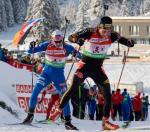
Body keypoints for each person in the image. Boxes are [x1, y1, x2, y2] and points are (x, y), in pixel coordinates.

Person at [49, 16, 135, 130]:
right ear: (99, 27)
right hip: (84, 67)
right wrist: (77, 40)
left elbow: (124, 41)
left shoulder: (113, 35)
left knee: (107, 95)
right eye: (104, 31)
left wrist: (130, 43)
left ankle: (105, 122)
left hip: (98, 69)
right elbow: (71, 37)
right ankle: (57, 110)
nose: (106, 34)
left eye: (109, 31)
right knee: (72, 89)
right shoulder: (90, 32)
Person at [23, 30, 80, 130]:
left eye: (60, 41)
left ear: (62, 39)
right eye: (56, 41)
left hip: (59, 77)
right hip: (46, 74)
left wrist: (76, 53)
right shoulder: (47, 45)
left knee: (64, 98)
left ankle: (68, 122)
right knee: (35, 93)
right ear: (52, 39)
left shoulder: (67, 47)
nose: (58, 43)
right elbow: (31, 51)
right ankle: (30, 116)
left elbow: (80, 55)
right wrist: (31, 46)